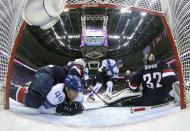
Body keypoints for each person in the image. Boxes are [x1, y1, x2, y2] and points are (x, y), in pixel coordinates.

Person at [107, 53, 178, 106]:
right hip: (165, 97)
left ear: (146, 60)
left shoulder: (142, 69)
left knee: (130, 101)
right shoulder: (162, 64)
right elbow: (172, 79)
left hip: (149, 100)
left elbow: (133, 87)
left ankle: (119, 102)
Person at [10, 65, 84, 115]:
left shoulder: (75, 87)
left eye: (77, 91)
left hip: (52, 78)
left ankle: (27, 87)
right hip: (49, 73)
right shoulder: (76, 71)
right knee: (35, 100)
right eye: (75, 91)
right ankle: (7, 90)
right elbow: (42, 108)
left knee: (41, 94)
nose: (76, 94)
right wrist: (64, 109)